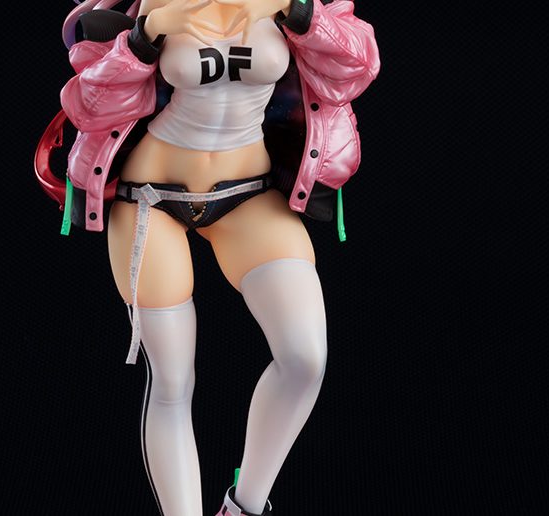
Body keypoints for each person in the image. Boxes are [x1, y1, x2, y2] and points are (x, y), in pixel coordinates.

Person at [38, 0, 380, 513]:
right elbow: (87, 106)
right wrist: (145, 36)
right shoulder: (145, 7)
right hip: (150, 198)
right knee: (172, 381)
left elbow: (355, 69)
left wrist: (302, 14)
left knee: (305, 358)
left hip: (249, 194)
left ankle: (242, 507)